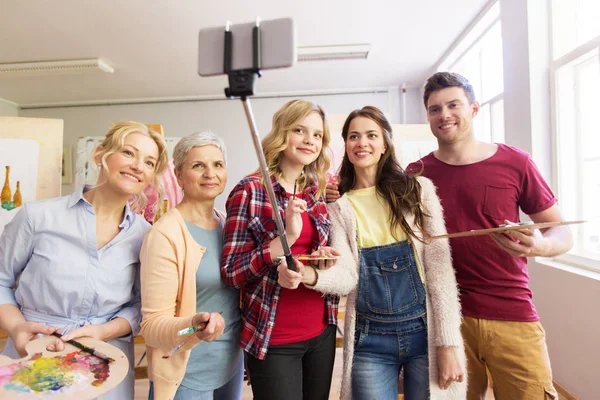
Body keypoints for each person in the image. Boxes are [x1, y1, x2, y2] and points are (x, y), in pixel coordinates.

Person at [0, 121, 169, 399]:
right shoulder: (38, 217)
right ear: (100, 154)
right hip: (34, 353)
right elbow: (2, 281)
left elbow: (144, 306)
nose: (139, 166)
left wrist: (103, 330)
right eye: (129, 153)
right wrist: (17, 328)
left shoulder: (146, 236)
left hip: (105, 361)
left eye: (149, 162)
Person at [318, 106, 466, 400]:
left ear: (384, 142)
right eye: (354, 136)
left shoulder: (418, 191)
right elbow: (346, 276)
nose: (362, 143)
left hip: (424, 333)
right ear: (345, 145)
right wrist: (313, 275)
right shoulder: (338, 206)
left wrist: (447, 343)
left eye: (371, 135)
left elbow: (440, 270)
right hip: (369, 339)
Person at [221, 99, 339, 400]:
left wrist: (321, 263)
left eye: (317, 135)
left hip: (321, 330)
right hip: (273, 335)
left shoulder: (315, 190)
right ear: (282, 133)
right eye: (300, 130)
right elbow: (232, 272)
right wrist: (280, 242)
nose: (310, 140)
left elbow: (315, 254)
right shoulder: (249, 190)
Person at [139, 132, 236, 400]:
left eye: (217, 164)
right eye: (198, 166)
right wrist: (193, 326)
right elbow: (152, 326)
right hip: (186, 378)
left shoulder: (229, 224)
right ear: (179, 175)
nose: (210, 173)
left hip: (230, 369)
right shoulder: (165, 234)